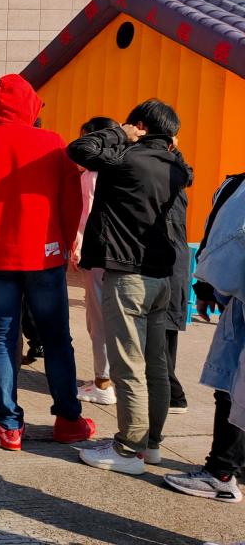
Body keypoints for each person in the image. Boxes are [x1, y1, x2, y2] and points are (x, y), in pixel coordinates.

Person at [0, 74, 94, 451]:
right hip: (45, 255)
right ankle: (68, 420)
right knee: (56, 338)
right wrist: (64, 244)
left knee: (0, 337)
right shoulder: (53, 144)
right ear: (30, 106)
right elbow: (72, 202)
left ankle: (9, 425)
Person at [68, 99, 191, 475]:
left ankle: (127, 449)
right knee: (155, 365)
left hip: (128, 275)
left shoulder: (126, 158)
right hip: (162, 277)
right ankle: (150, 444)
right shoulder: (177, 168)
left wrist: (119, 133)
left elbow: (79, 149)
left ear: (140, 126)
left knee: (128, 365)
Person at [165, 172, 245, 503]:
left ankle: (222, 473)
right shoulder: (235, 185)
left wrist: (209, 286)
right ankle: (228, 467)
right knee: (232, 385)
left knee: (232, 386)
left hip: (238, 300)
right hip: (237, 301)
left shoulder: (237, 188)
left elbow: (225, 240)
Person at [70, 117, 121, 406]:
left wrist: (77, 245)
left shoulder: (92, 175)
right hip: (127, 256)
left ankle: (103, 382)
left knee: (98, 319)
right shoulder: (127, 167)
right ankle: (113, 379)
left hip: (100, 253)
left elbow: (85, 215)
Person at [165, 147, 193, 416]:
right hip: (174, 265)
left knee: (163, 333)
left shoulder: (170, 189)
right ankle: (170, 392)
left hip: (170, 267)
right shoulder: (175, 184)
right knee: (165, 333)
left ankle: (173, 394)